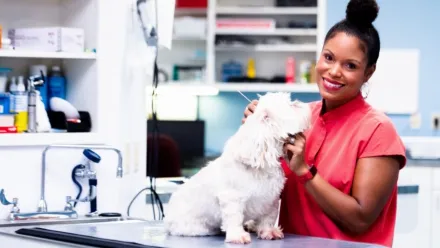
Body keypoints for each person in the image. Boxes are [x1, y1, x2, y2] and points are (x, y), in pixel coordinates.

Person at [242, 0, 406, 247]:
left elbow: (360, 219)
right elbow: (260, 182)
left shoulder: (378, 131)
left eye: (350, 65)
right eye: (328, 57)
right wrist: (254, 131)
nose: (334, 71)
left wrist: (304, 172)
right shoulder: (299, 117)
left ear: (368, 73)